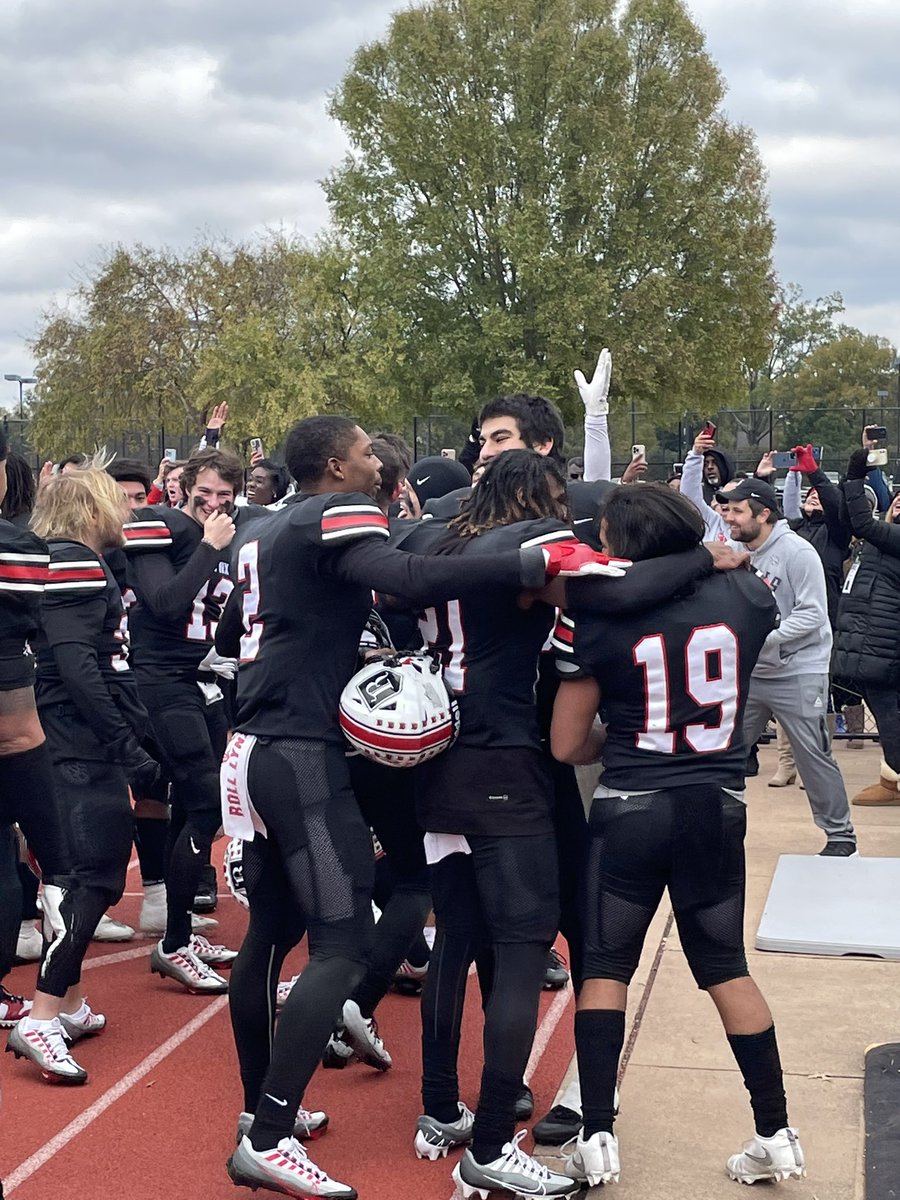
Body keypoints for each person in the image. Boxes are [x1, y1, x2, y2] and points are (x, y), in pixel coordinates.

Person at [216, 415, 608, 1200]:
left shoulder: (260, 527)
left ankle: (266, 1112)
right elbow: (409, 580)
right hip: (316, 750)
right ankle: (268, 1133)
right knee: (344, 944)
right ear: (335, 464)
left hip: (253, 742)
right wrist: (526, 558)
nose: (379, 463)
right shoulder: (341, 511)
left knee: (283, 932)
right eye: (366, 452)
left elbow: (247, 627)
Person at [551, 483, 805, 1188]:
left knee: (604, 967)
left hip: (633, 804)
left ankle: (597, 1134)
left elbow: (569, 743)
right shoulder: (750, 596)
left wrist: (630, 733)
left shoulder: (597, 616)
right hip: (717, 803)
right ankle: (775, 1130)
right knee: (726, 966)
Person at [9, 465, 156, 1083]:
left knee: (77, 872)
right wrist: (124, 742)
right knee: (91, 873)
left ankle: (64, 1002)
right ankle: (42, 1014)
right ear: (93, 508)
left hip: (66, 735)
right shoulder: (75, 562)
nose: (127, 513)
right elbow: (74, 662)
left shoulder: (69, 559)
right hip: (73, 739)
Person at [123, 447, 258, 992]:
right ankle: (174, 941)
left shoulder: (239, 530)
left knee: (193, 805)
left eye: (225, 496)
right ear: (181, 487)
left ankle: (179, 929)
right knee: (206, 804)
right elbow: (164, 601)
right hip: (160, 677)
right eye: (204, 494)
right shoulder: (159, 524)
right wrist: (209, 545)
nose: (214, 504)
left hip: (206, 679)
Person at [719, 478, 856, 855]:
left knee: (812, 754)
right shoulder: (732, 549)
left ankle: (841, 836)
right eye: (727, 510)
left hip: (800, 667)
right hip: (752, 671)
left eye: (738, 510)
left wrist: (761, 638)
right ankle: (717, 826)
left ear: (764, 514)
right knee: (725, 750)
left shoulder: (797, 552)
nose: (730, 517)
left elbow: (813, 614)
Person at [833, 449, 900, 806]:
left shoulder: (893, 538)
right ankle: (891, 781)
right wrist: (850, 485)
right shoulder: (880, 541)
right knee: (886, 707)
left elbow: (862, 524)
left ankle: (895, 782)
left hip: (887, 643)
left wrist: (855, 471)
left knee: (889, 710)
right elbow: (850, 521)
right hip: (871, 638)